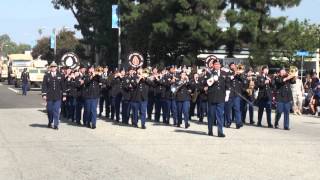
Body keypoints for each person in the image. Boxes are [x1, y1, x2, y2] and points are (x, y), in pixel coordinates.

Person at [206, 59, 229, 137]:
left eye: (218, 64)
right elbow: (207, 84)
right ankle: (210, 130)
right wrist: (212, 79)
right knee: (211, 115)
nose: (217, 65)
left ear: (220, 65)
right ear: (213, 65)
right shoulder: (209, 72)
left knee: (220, 115)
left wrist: (227, 94)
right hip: (212, 96)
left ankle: (220, 132)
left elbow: (227, 84)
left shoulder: (224, 73)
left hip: (221, 96)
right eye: (215, 64)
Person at [41, 62, 67, 130]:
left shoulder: (60, 75)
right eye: (52, 67)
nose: (53, 68)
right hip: (49, 96)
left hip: (58, 96)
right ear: (50, 68)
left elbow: (63, 86)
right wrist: (44, 94)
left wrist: (64, 95)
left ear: (56, 67)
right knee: (49, 110)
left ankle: (56, 124)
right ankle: (50, 121)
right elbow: (44, 86)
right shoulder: (46, 75)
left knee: (56, 110)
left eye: (54, 67)